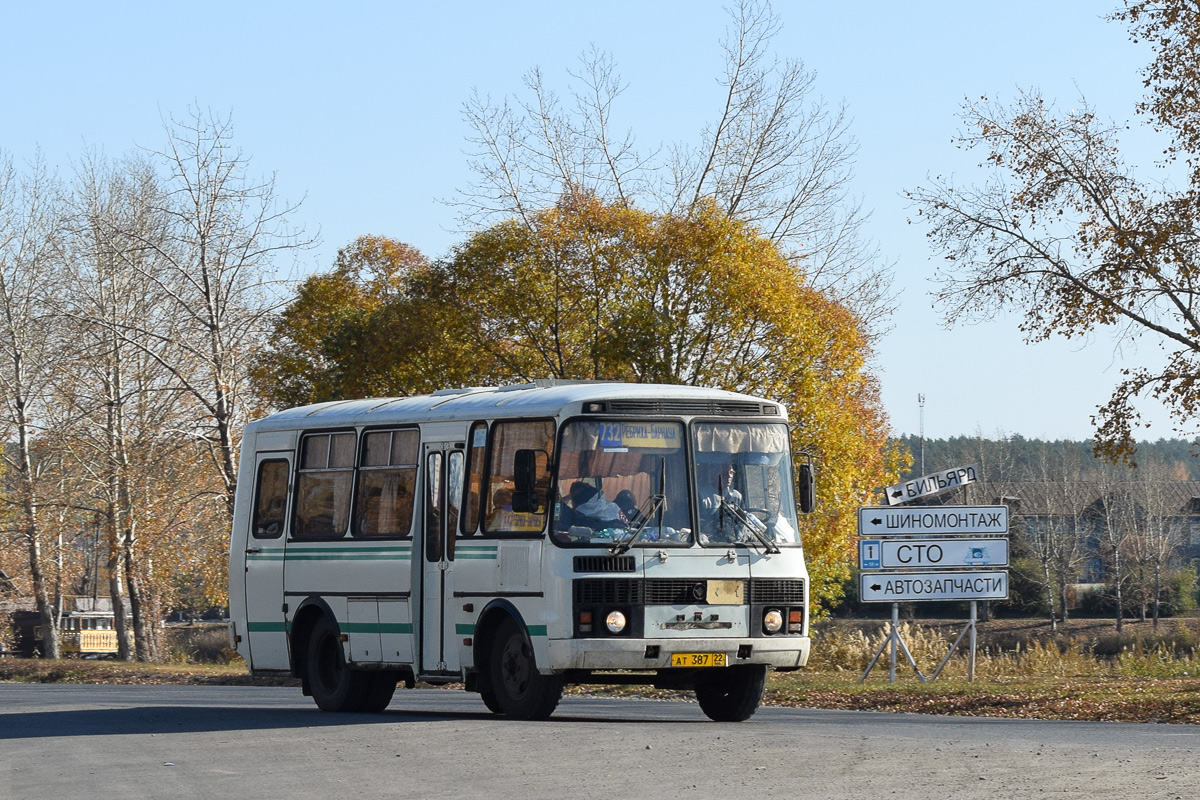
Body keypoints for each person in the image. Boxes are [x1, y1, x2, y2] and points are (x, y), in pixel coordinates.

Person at [698, 463, 745, 542]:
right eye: (724, 473)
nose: (729, 476)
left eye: (731, 472)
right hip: (708, 542)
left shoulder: (737, 496)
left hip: (732, 541)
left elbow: (742, 522)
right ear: (713, 474)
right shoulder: (701, 494)